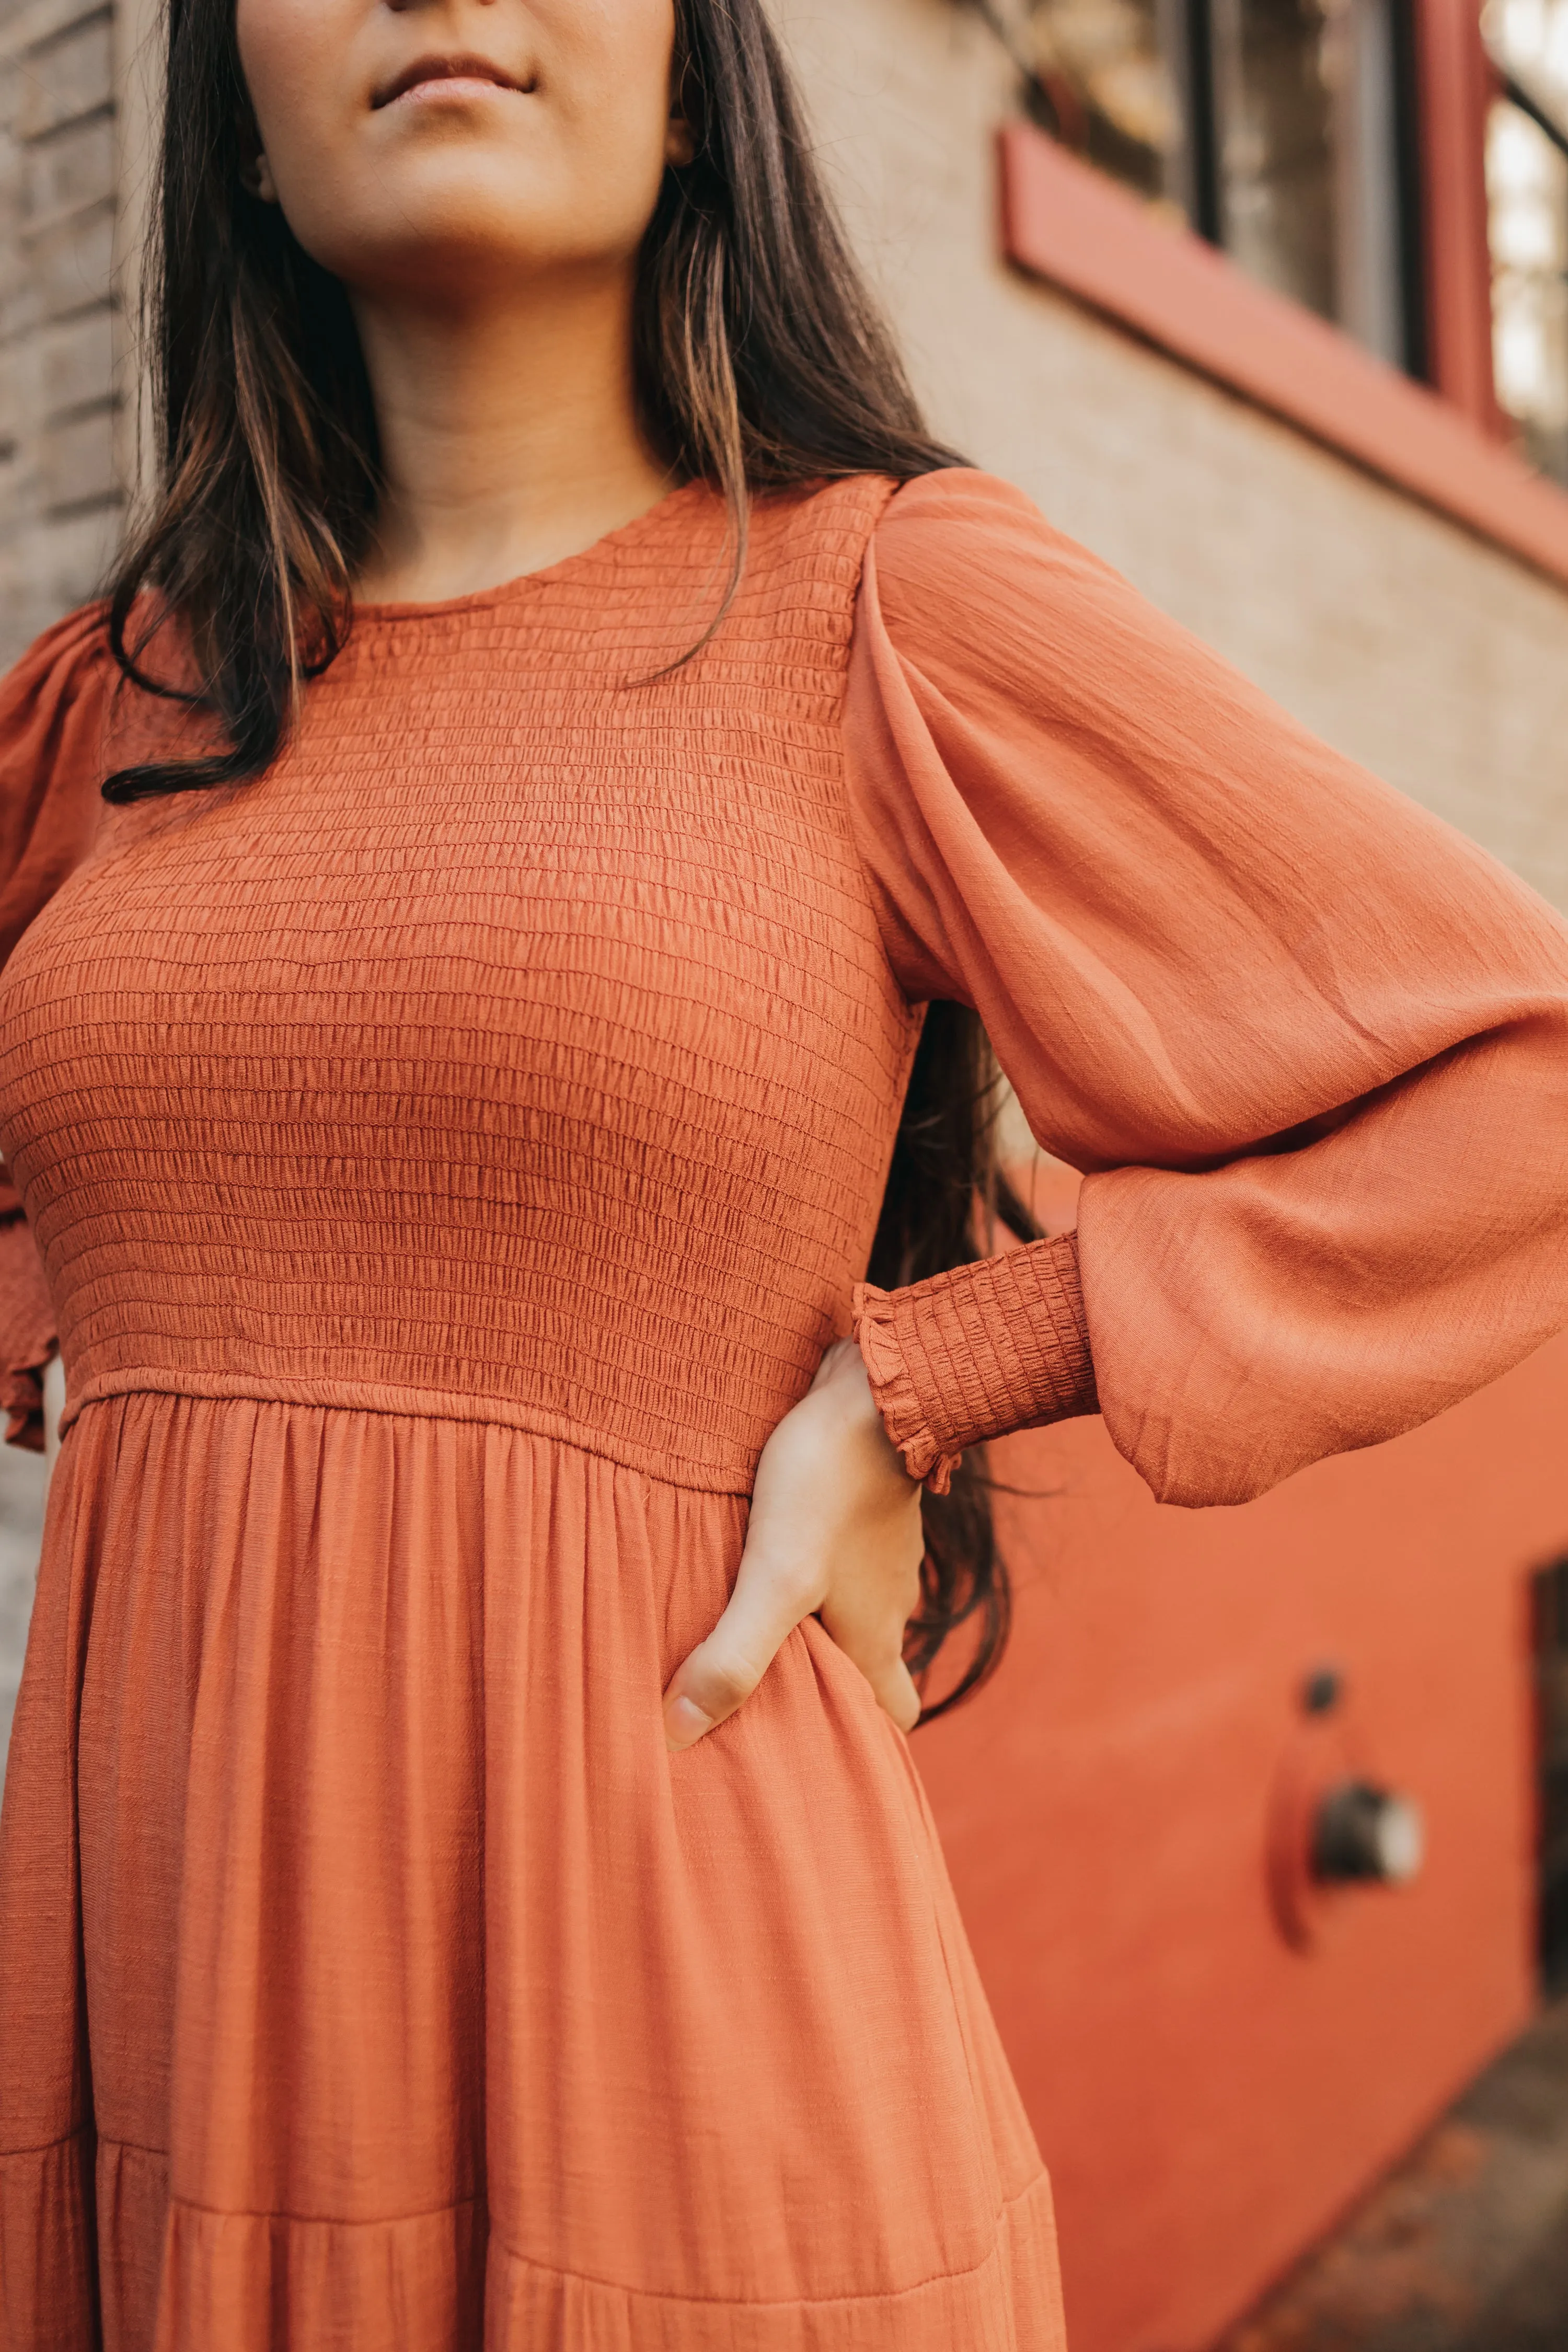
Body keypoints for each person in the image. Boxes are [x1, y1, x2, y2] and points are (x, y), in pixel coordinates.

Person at [1, 0, 1566, 2342]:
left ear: (695, 81)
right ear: (226, 120)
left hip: (668, 2065)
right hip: (167, 2045)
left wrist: (929, 1381)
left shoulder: (879, 600)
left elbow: (1518, 1079)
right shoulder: (109, 708)